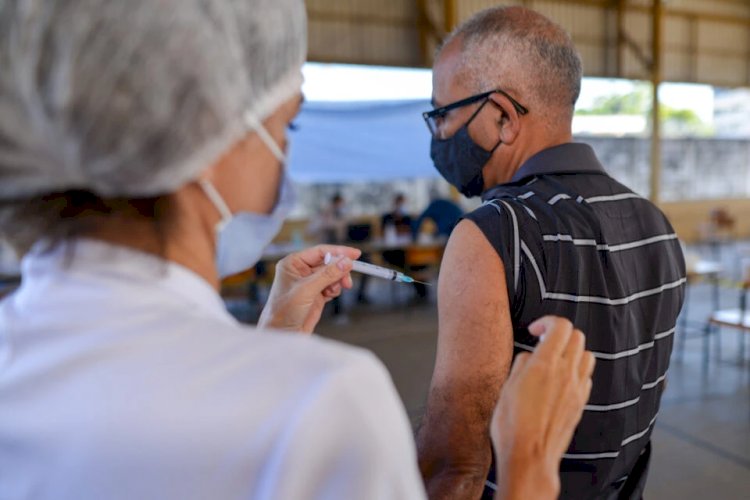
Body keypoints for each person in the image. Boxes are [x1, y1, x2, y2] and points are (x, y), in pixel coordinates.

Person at [0, 2, 595, 499]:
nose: (284, 155)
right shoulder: (324, 404)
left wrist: (269, 345)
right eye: (286, 127)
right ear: (211, 134)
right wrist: (528, 467)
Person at [416, 6, 686, 500]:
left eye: (443, 114)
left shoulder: (494, 233)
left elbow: (454, 468)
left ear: (501, 116)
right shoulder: (656, 225)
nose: (439, 135)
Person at [381, 194, 427, 300]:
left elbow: (412, 231)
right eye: (399, 203)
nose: (401, 205)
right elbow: (384, 232)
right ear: (394, 204)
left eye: (403, 203)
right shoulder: (387, 217)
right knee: (407, 264)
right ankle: (421, 292)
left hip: (408, 251)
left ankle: (422, 293)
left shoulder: (408, 217)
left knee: (418, 264)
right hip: (392, 252)